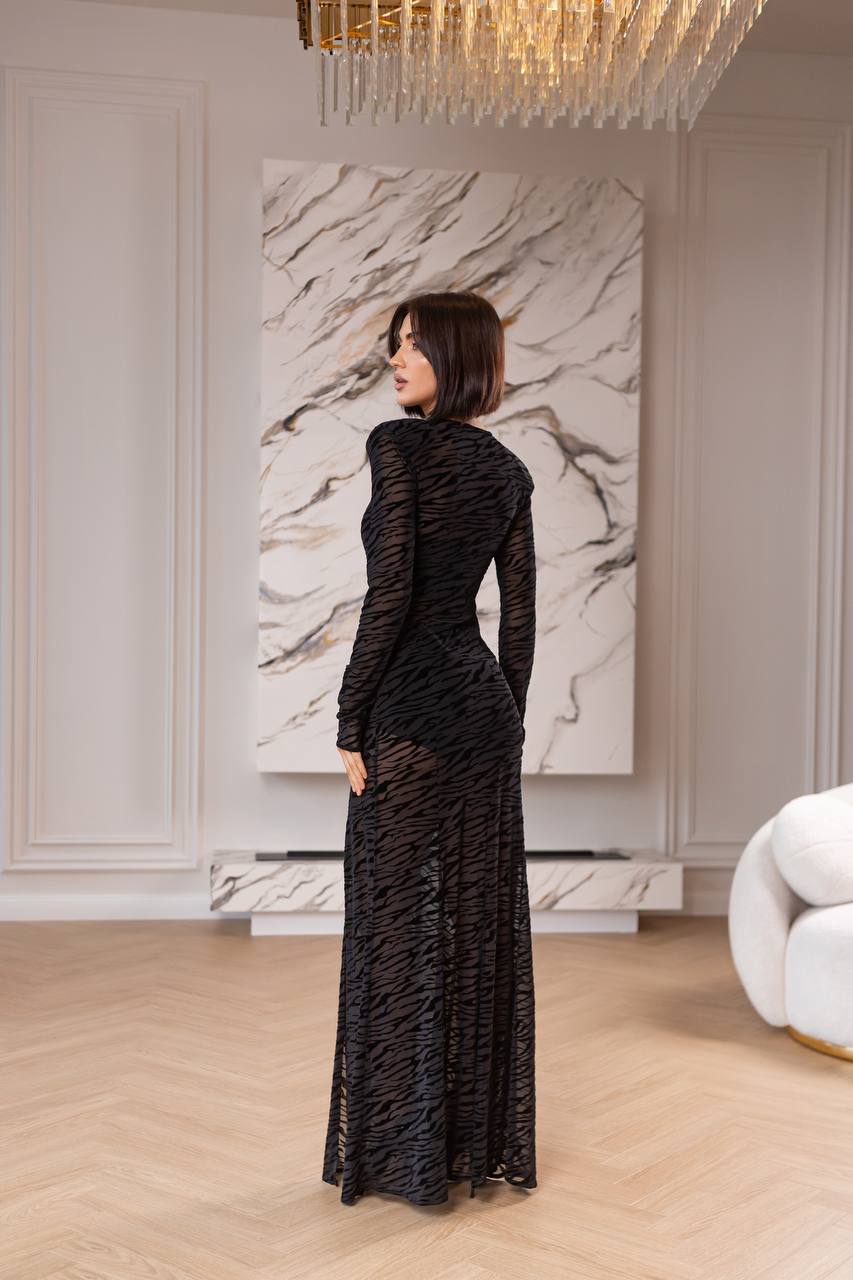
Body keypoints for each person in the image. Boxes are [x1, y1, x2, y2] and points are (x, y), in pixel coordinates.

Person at [322, 289, 537, 1206]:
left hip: (407, 716)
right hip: (482, 717)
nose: (396, 359)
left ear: (457, 355)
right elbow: (519, 617)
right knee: (471, 933)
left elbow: (393, 589)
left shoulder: (395, 445)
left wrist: (347, 714)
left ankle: (395, 1155)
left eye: (413, 345)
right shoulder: (509, 469)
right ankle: (459, 1150)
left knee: (396, 933)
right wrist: (508, 722)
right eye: (395, 344)